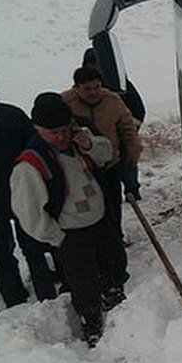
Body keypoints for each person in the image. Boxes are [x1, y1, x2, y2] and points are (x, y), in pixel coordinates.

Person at [10, 93, 126, 347]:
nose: (61, 136)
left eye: (64, 129)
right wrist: (57, 237)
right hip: (70, 234)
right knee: (83, 283)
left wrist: (89, 143)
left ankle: (117, 298)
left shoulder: (78, 139)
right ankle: (92, 324)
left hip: (100, 222)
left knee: (114, 263)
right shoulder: (29, 165)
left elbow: (106, 154)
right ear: (38, 128)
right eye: (53, 132)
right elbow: (29, 214)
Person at [0, 81, 59, 307]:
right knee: (33, 243)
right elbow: (35, 145)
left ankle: (15, 300)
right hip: (21, 189)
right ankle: (45, 293)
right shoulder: (12, 114)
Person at [61, 66, 142, 261]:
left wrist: (133, 148)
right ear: (76, 88)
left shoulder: (112, 100)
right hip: (80, 171)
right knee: (87, 207)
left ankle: (116, 239)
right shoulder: (65, 102)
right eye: (87, 89)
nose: (93, 92)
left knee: (112, 203)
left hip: (109, 164)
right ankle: (92, 245)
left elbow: (127, 127)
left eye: (96, 87)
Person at [82, 48, 146, 200]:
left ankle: (132, 191)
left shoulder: (118, 83)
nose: (96, 68)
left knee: (127, 161)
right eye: (92, 65)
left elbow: (138, 109)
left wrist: (129, 129)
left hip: (120, 135)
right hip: (95, 140)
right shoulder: (82, 86)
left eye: (97, 64)